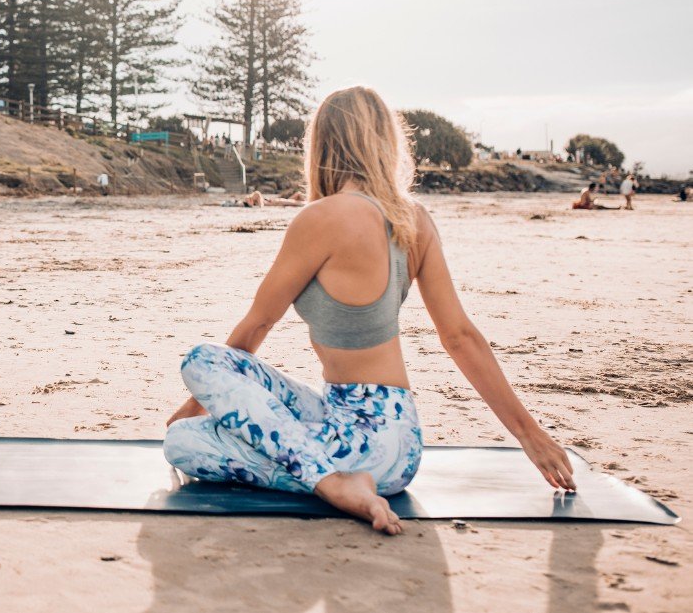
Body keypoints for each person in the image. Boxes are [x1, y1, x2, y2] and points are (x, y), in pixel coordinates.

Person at [163, 86, 575, 536]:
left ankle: (330, 484)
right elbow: (460, 336)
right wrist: (530, 437)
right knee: (199, 426)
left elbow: (258, 324)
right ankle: (332, 473)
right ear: (385, 141)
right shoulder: (413, 218)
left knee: (193, 397)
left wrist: (200, 401)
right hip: (402, 445)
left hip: (355, 447)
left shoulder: (320, 218)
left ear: (323, 144)